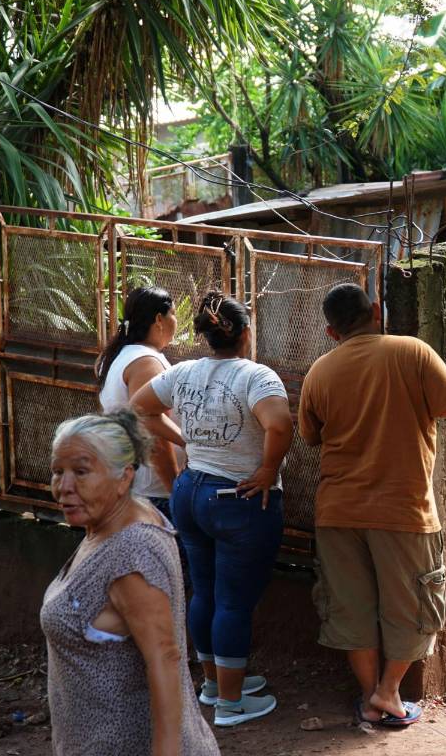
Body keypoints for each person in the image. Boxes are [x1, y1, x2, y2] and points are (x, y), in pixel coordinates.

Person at [298, 284, 446, 727]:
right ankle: (390, 693)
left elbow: (311, 436)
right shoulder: (412, 352)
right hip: (403, 510)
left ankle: (369, 695)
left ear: (332, 332)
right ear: (376, 310)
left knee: (351, 608)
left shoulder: (319, 371)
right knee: (412, 606)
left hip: (337, 512)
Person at [131, 291, 293, 727]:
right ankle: (231, 702)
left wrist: (188, 442)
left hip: (191, 492)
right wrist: (266, 469)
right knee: (234, 603)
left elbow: (139, 408)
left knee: (205, 592)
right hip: (238, 499)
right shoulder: (257, 376)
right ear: (245, 333)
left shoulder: (184, 372)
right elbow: (279, 424)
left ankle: (213, 684)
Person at [41, 410, 219, 756]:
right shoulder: (112, 523)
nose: (64, 487)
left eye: (81, 472)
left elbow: (165, 656)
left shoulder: (131, 551)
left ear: (124, 477)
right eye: (57, 472)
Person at [96, 287, 180, 520]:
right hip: (153, 489)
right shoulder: (145, 361)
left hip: (135, 483)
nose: (176, 321)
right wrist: (175, 488)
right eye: (173, 314)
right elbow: (151, 430)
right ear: (159, 319)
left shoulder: (120, 354)